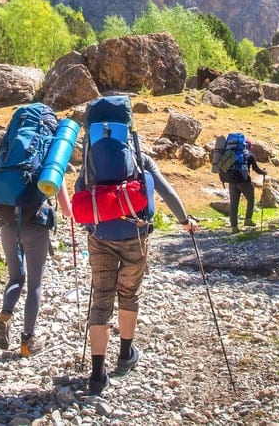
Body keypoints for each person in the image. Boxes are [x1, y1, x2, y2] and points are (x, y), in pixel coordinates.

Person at [76, 151, 198, 395]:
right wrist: (185, 220)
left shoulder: (92, 157)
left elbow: (80, 193)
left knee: (101, 297)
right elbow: (166, 192)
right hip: (136, 235)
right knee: (129, 293)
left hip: (99, 237)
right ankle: (125, 355)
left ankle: (97, 375)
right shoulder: (139, 158)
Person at [0, 183, 73, 357]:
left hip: (7, 224)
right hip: (35, 225)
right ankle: (27, 342)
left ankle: (5, 315)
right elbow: (67, 209)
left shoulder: (7, 155)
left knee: (15, 277)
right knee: (35, 284)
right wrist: (69, 212)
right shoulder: (50, 159)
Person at [218, 139, 268, 233]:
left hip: (231, 182)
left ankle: (234, 227)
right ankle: (248, 219)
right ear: (248, 146)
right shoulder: (249, 155)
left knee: (234, 203)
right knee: (251, 198)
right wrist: (263, 172)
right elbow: (256, 169)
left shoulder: (231, 154)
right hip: (244, 182)